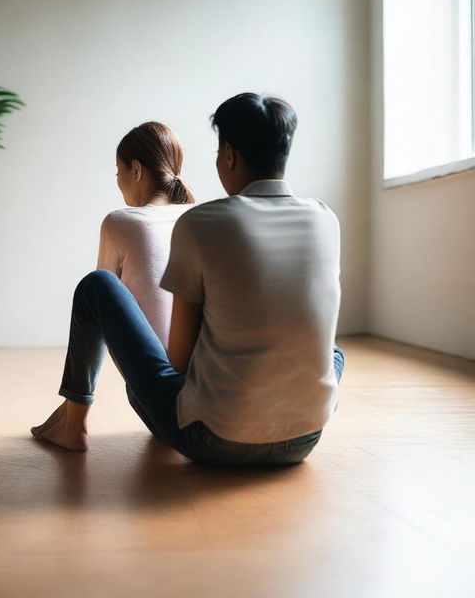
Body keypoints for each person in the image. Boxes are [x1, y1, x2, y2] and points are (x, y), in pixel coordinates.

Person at [31, 93, 344, 466]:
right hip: (304, 438)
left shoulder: (201, 222)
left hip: (211, 439)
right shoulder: (325, 218)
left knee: (96, 286)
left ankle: (72, 421)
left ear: (228, 155)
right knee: (333, 352)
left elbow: (178, 361)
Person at [98, 122, 195, 348]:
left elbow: (100, 306)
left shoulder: (120, 222)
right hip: (205, 370)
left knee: (93, 287)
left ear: (136, 170)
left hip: (154, 374)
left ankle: (75, 386)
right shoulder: (200, 218)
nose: (117, 180)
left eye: (117, 170)